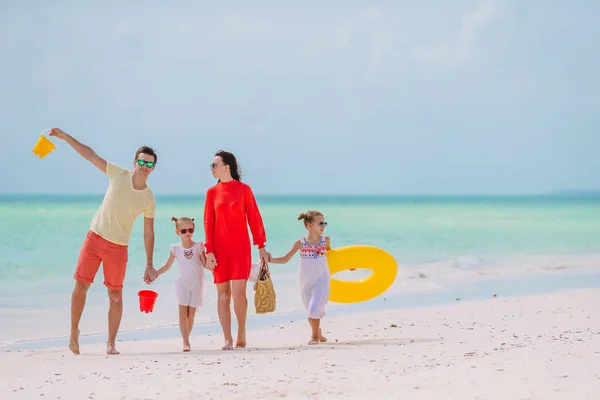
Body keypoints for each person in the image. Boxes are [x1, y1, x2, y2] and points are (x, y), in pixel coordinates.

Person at [49, 128, 159, 356]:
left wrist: (149, 263)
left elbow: (149, 232)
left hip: (118, 248)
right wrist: (66, 137)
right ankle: (73, 332)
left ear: (153, 168)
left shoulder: (148, 197)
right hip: (94, 239)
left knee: (116, 296)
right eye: (141, 162)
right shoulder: (117, 174)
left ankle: (111, 343)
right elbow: (90, 155)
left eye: (149, 164)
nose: (144, 167)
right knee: (81, 286)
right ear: (135, 162)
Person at [203, 150, 270, 350]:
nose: (212, 168)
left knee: (239, 294)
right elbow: (208, 223)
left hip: (240, 249)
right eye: (211, 165)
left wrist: (261, 246)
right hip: (219, 250)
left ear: (226, 167)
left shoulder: (244, 190)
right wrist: (209, 251)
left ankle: (241, 331)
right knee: (223, 295)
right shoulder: (211, 193)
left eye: (215, 165)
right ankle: (227, 338)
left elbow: (255, 218)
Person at [269, 210, 330, 345]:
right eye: (320, 223)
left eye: (324, 223)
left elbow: (333, 256)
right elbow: (285, 259)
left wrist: (350, 265)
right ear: (309, 226)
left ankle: (314, 336)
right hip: (305, 281)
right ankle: (318, 331)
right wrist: (270, 259)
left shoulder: (325, 241)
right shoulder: (300, 243)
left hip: (322, 279)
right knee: (310, 310)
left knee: (314, 309)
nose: (323, 226)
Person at [156, 216, 211, 352]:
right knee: (182, 313)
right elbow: (167, 266)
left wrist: (212, 264)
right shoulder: (175, 249)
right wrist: (155, 274)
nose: (188, 233)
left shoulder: (199, 246)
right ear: (178, 232)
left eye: (190, 230)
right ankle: (185, 341)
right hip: (182, 283)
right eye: (184, 231)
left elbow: (204, 264)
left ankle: (187, 337)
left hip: (197, 282)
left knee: (191, 314)